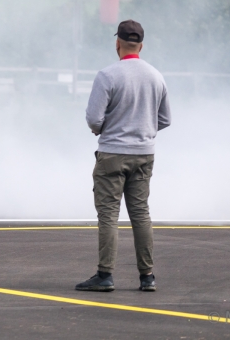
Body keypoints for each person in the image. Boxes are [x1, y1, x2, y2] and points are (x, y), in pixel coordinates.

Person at [76, 20, 171, 293]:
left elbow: (94, 118)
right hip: (144, 154)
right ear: (141, 45)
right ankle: (147, 276)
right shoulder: (156, 76)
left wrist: (103, 129)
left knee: (108, 215)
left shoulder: (108, 75)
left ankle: (105, 274)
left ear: (117, 42)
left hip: (112, 154)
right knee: (141, 214)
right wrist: (145, 129)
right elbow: (165, 118)